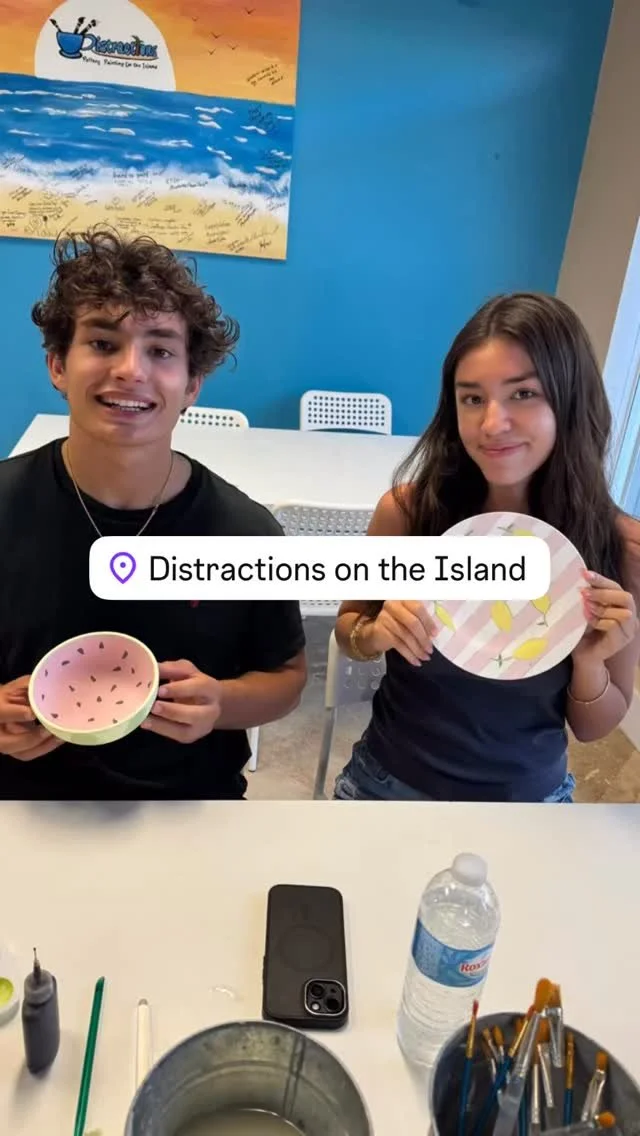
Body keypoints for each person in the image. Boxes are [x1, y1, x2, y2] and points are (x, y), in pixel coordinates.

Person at [0, 228, 306, 800]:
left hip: (190, 805)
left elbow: (286, 677)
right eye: (102, 343)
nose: (131, 370)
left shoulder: (245, 533)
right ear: (57, 365)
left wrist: (222, 703)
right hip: (20, 807)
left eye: (161, 350)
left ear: (192, 385)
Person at [333, 292, 640, 803]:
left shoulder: (620, 546)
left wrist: (589, 662)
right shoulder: (408, 514)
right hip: (386, 786)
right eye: (472, 399)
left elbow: (593, 728)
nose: (492, 424)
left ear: (570, 400)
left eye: (523, 394)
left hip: (530, 803)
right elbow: (349, 631)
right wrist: (377, 631)